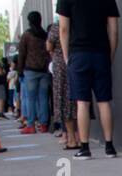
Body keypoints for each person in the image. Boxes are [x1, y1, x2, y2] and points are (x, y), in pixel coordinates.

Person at [57, 0, 119, 159]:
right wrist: (110, 55)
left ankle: (84, 148)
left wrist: (66, 57)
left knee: (82, 102)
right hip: (101, 54)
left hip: (78, 54)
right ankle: (109, 146)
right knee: (104, 101)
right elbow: (113, 31)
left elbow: (64, 29)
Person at [17, 11, 51, 134]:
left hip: (30, 70)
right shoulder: (45, 35)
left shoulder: (26, 35)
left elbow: (22, 54)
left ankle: (31, 124)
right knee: (43, 98)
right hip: (44, 70)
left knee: (31, 99)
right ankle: (43, 125)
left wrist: (20, 70)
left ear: (29, 21)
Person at [47, 17, 78, 148]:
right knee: (80, 101)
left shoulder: (57, 26)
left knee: (65, 101)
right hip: (78, 60)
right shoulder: (78, 23)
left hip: (61, 66)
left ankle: (70, 138)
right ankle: (81, 137)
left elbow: (49, 45)